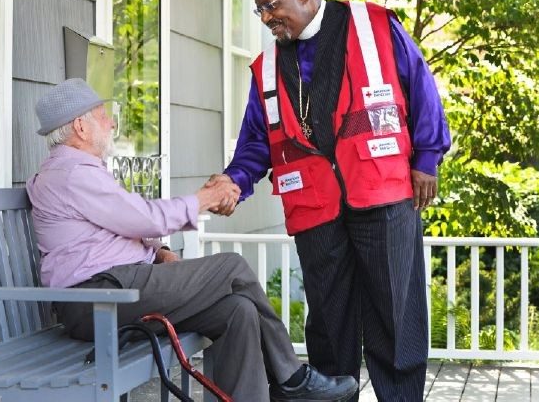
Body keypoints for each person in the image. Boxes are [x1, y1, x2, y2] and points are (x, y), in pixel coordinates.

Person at [207, 0, 451, 402]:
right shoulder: (265, 68)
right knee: (329, 323)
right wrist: (234, 182)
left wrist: (428, 157)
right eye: (259, 12)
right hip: (315, 208)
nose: (265, 19)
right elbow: (256, 145)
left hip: (382, 193)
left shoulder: (374, 25)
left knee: (397, 319)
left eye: (270, 6)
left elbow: (421, 86)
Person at [27, 78, 358, 402]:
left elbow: (113, 231)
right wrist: (206, 197)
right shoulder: (73, 174)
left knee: (237, 311)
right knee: (231, 267)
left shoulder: (78, 171)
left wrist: (159, 252)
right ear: (81, 127)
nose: (111, 123)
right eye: (102, 115)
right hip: (98, 299)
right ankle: (291, 379)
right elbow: (145, 218)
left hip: (117, 290)